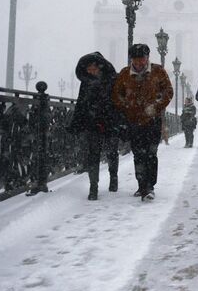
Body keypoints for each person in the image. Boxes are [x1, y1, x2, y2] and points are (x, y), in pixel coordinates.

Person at [112, 44, 173, 201]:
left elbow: (168, 91)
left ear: (147, 58)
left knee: (151, 153)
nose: (139, 63)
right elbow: (117, 95)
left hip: (152, 120)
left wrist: (156, 105)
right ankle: (141, 185)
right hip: (133, 121)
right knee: (138, 153)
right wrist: (127, 106)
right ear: (131, 60)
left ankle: (150, 186)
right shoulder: (125, 74)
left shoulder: (158, 71)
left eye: (142, 60)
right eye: (136, 60)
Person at [67, 52, 121, 200]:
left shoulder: (112, 80)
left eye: (93, 68)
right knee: (93, 154)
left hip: (110, 121)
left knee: (112, 152)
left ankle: (113, 178)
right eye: (88, 69)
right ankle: (93, 187)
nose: (90, 71)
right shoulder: (86, 83)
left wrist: (119, 120)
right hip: (93, 123)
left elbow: (119, 101)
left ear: (100, 67)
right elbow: (81, 103)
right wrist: (76, 123)